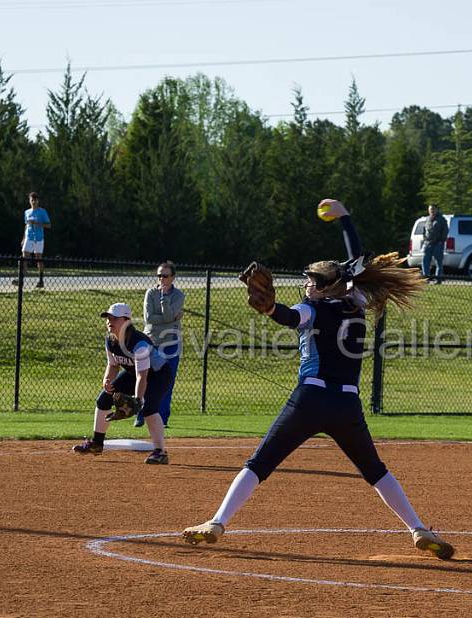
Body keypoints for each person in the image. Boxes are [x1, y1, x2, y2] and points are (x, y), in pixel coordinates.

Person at [181, 198, 456, 560]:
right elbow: (356, 263)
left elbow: (288, 317)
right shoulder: (355, 303)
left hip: (309, 400)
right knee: (375, 471)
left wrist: (268, 308)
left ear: (325, 286)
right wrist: (345, 218)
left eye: (311, 281)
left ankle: (217, 522)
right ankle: (418, 528)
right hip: (346, 405)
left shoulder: (313, 308)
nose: (306, 285)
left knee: (259, 463)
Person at [72, 302, 170, 465]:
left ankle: (160, 452)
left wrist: (138, 399)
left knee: (149, 409)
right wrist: (107, 380)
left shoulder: (139, 344)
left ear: (126, 321)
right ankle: (97, 443)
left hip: (158, 374)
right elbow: (113, 364)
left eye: (114, 318)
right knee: (103, 400)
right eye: (108, 318)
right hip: (133, 373)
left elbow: (142, 376)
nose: (109, 321)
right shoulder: (110, 341)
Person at [134, 261, 184, 429]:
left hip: (171, 343)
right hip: (151, 342)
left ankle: (163, 419)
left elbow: (168, 316)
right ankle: (141, 415)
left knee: (166, 383)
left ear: (173, 277)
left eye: (165, 276)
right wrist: (170, 318)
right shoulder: (150, 293)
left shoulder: (178, 296)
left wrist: (164, 300)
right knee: (145, 380)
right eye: (159, 275)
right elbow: (149, 318)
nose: (161, 279)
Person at [12, 192, 51, 288]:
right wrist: (23, 238)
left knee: (39, 259)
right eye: (32, 200)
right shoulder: (27, 212)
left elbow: (49, 225)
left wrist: (38, 223)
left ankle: (41, 280)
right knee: (24, 258)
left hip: (39, 238)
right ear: (29, 201)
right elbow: (26, 225)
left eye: (35, 200)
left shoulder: (42, 212)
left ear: (38, 201)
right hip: (29, 238)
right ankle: (20, 280)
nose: (33, 202)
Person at [421, 203, 448, 284]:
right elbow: (424, 231)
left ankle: (438, 279)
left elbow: (445, 231)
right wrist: (425, 240)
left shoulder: (442, 220)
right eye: (430, 209)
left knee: (439, 263)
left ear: (437, 210)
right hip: (428, 244)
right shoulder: (427, 219)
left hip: (438, 244)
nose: (432, 211)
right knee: (425, 261)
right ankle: (426, 278)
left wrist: (441, 241)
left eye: (433, 209)